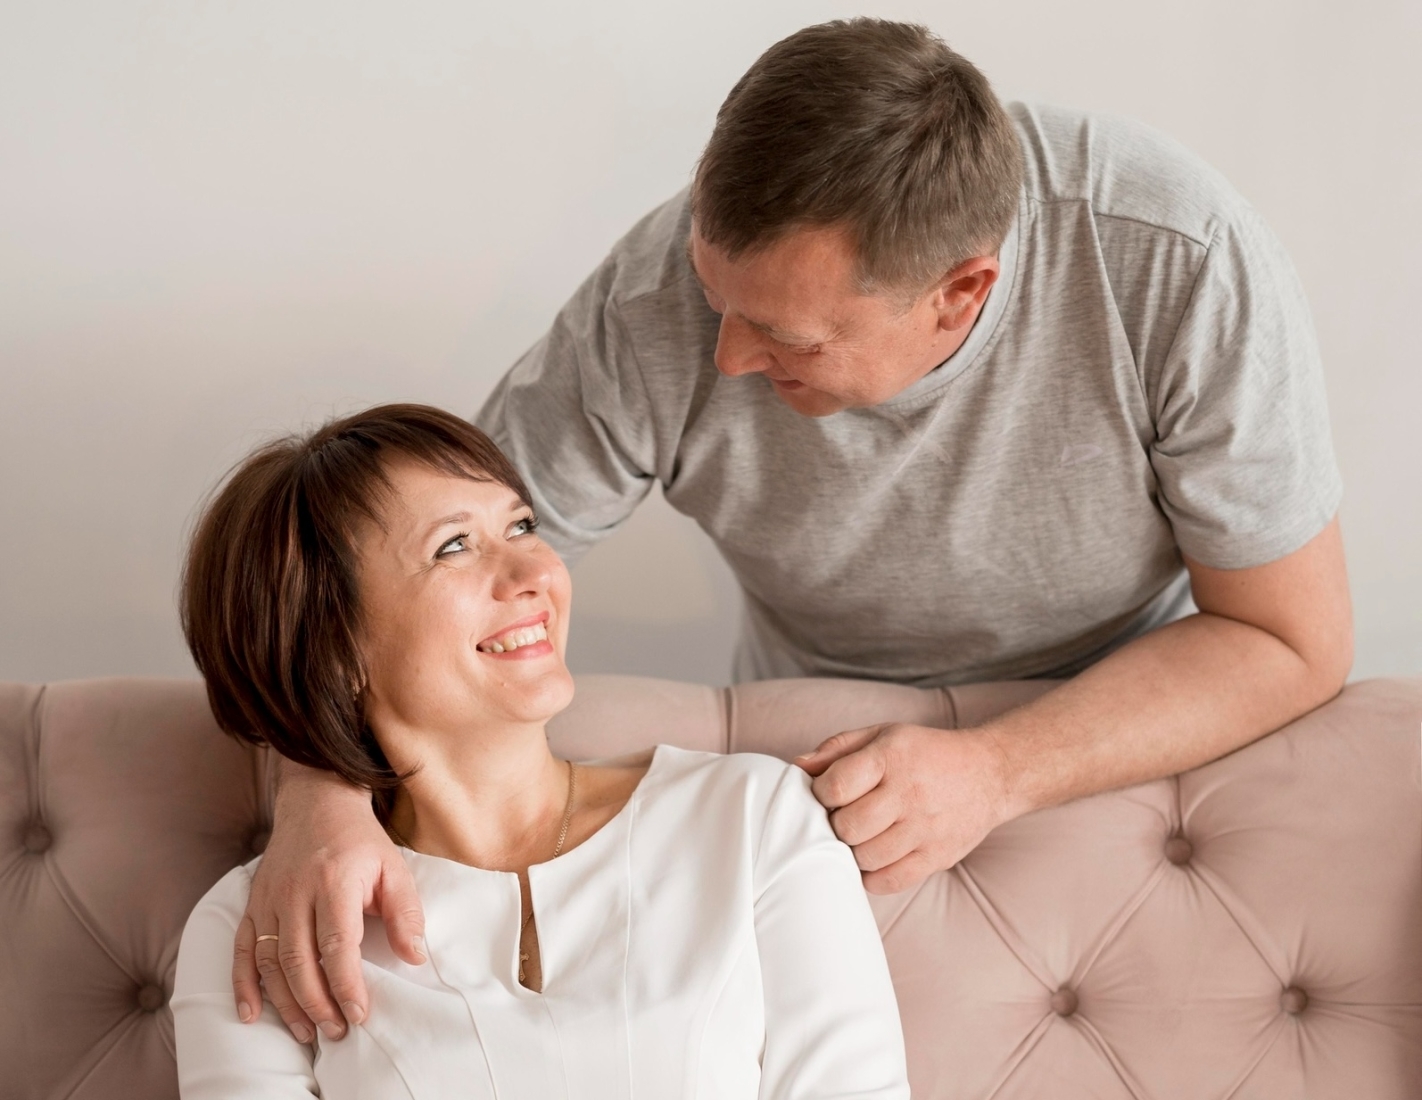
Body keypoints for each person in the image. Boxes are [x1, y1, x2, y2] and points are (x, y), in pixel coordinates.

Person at [234, 19, 1354, 1045]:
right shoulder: (651, 309)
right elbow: (418, 580)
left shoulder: (1176, 260)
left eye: (782, 336)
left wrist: (998, 769)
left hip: (1129, 723)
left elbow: (1291, 637)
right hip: (815, 752)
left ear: (960, 295)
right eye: (714, 294)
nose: (723, 362)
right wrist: (320, 792)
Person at [171, 403, 908, 1098]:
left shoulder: (753, 818)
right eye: (454, 546)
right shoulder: (258, 925)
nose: (536, 576)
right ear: (332, 646)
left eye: (521, 526)